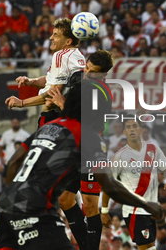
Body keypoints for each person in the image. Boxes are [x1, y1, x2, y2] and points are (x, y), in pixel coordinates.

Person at [0, 80, 163, 250]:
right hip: (37, 210)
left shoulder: (49, 127)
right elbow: (110, 186)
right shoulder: (87, 135)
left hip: (4, 207)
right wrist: (147, 205)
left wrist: (14, 197)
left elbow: (14, 162)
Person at [47, 50, 116, 250]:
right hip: (76, 150)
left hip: (91, 150)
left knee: (90, 204)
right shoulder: (84, 83)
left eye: (92, 71)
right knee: (65, 199)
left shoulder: (100, 93)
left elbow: (82, 123)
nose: (86, 73)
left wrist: (62, 104)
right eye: (86, 67)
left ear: (103, 75)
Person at [103, 116, 166, 250]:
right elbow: (109, 184)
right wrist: (104, 211)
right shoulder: (119, 156)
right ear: (124, 132)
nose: (132, 129)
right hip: (134, 210)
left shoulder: (152, 148)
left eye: (135, 126)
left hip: (152, 208)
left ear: (141, 130)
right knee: (148, 248)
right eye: (128, 127)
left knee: (150, 247)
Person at [5, 18, 85, 129]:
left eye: (56, 35)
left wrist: (22, 103)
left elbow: (53, 92)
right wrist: (32, 81)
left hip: (51, 116)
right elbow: (54, 79)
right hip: (67, 115)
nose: (51, 38)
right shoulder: (78, 56)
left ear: (68, 41)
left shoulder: (60, 56)